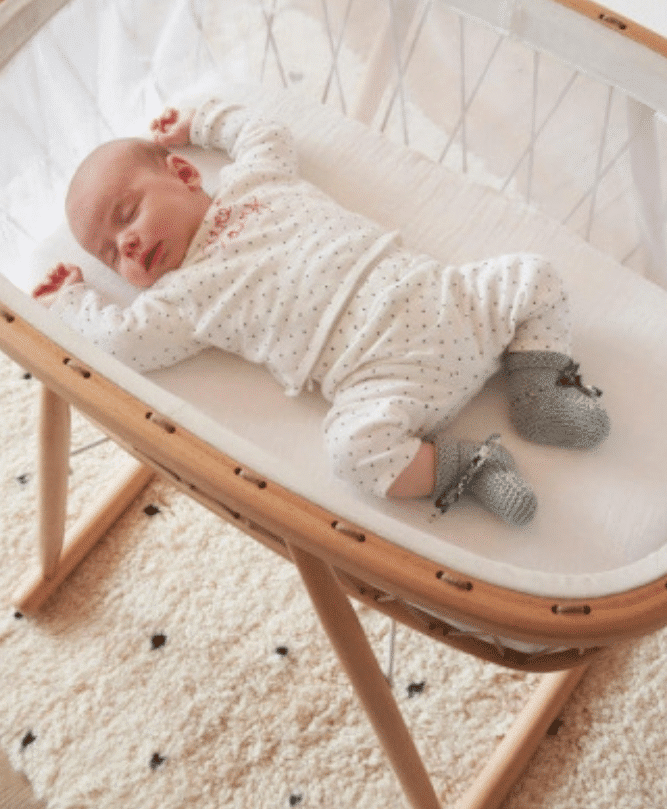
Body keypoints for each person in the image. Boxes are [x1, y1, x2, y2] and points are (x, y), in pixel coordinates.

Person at [33, 98, 610, 525]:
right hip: (379, 377)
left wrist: (202, 122)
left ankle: (537, 392)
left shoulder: (253, 183)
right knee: (352, 453)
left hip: (444, 297)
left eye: (127, 215)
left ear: (184, 174)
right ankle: (472, 467)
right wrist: (73, 301)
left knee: (534, 275)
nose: (126, 244)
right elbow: (123, 341)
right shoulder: (180, 299)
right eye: (110, 255)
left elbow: (264, 131)